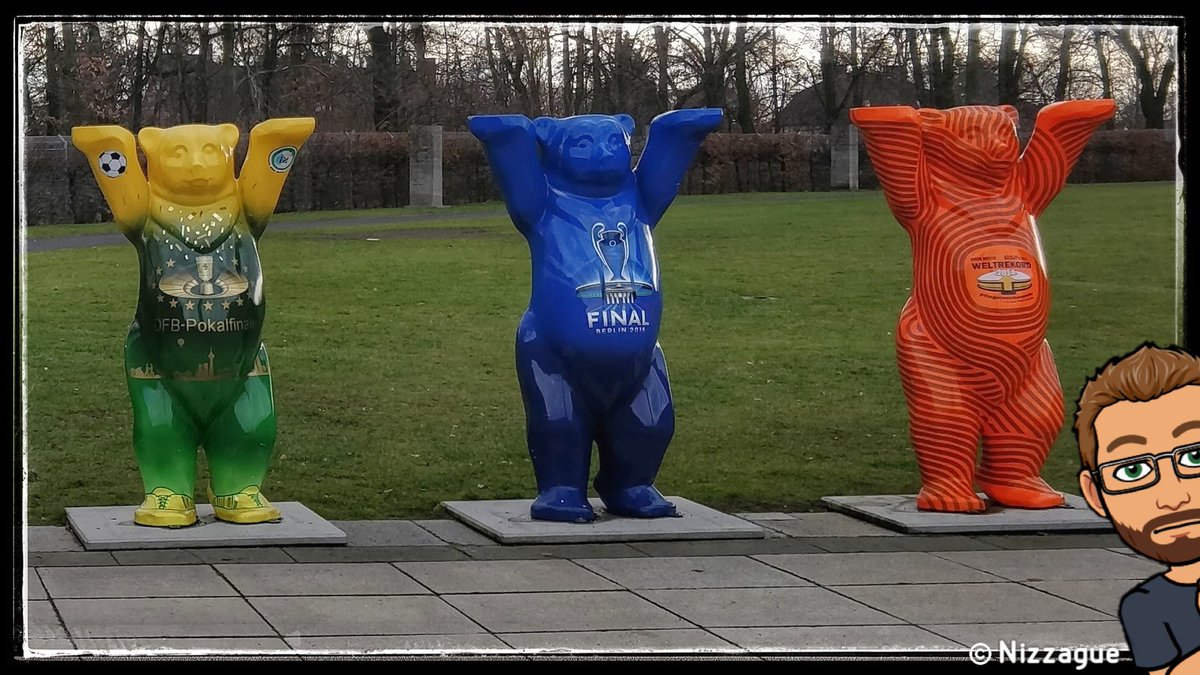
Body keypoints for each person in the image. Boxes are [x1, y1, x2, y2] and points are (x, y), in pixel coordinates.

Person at [1075, 343, 1200, 674]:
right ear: (1096, 495)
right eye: (1132, 470)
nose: (1172, 497)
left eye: (1195, 457)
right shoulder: (1146, 606)